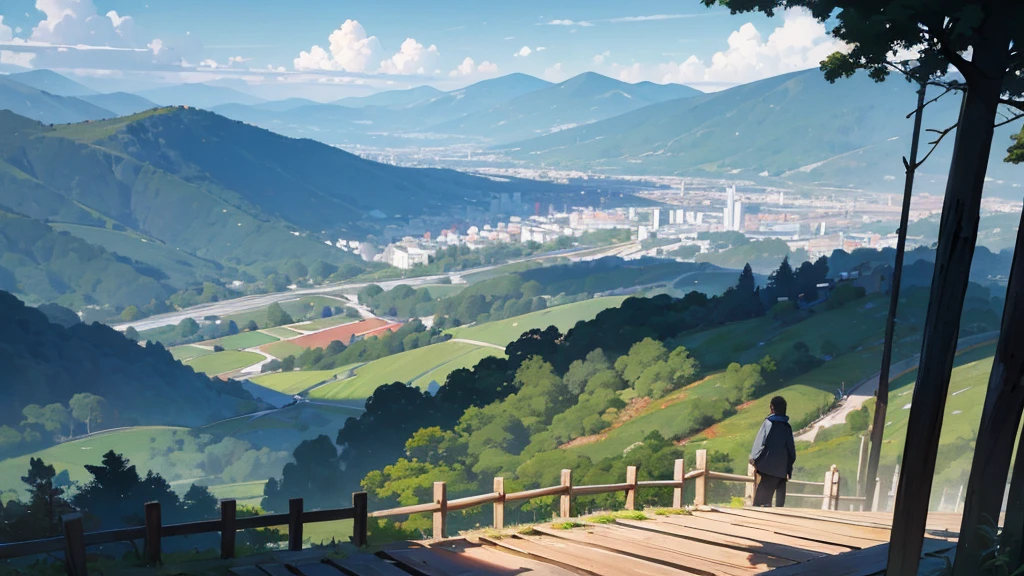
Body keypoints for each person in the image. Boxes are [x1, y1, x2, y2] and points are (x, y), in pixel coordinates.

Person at [749, 396, 796, 507]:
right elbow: (791, 451)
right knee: (779, 504)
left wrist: (753, 459)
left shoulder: (768, 423)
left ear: (772, 407)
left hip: (767, 468)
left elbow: (759, 443)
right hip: (782, 470)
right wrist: (788, 467)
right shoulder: (787, 427)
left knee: (759, 503)